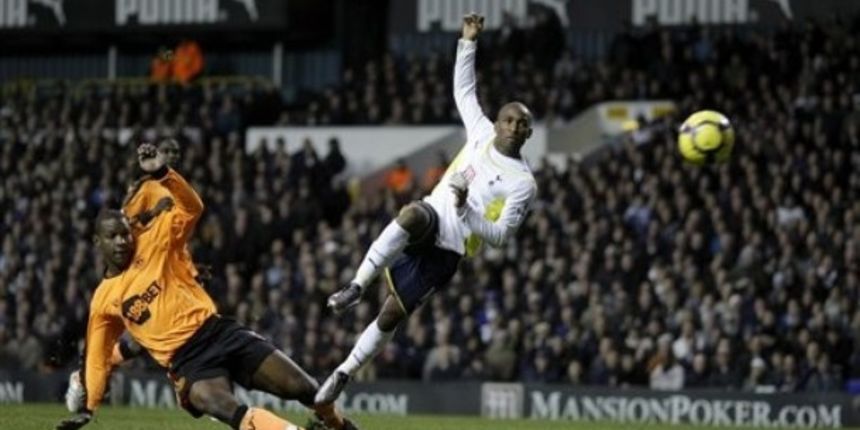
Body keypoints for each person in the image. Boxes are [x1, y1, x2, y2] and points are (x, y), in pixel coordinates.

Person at [315, 13, 537, 405]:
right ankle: (355, 286)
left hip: (450, 250)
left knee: (390, 317)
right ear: (499, 123)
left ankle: (343, 373)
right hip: (434, 215)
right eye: (509, 119)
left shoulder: (523, 182)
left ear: (528, 133)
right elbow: (464, 91)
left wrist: (467, 209)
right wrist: (468, 42)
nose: (513, 126)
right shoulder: (481, 133)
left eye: (522, 124)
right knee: (411, 215)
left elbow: (500, 237)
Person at [56, 144, 355, 430]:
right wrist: (89, 407)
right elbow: (97, 355)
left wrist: (163, 173)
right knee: (220, 404)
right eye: (113, 237)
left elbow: (192, 207)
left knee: (306, 388)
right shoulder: (103, 300)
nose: (122, 241)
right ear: (98, 243)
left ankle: (339, 426)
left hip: (218, 331)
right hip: (187, 362)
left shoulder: (152, 242)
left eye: (125, 234)